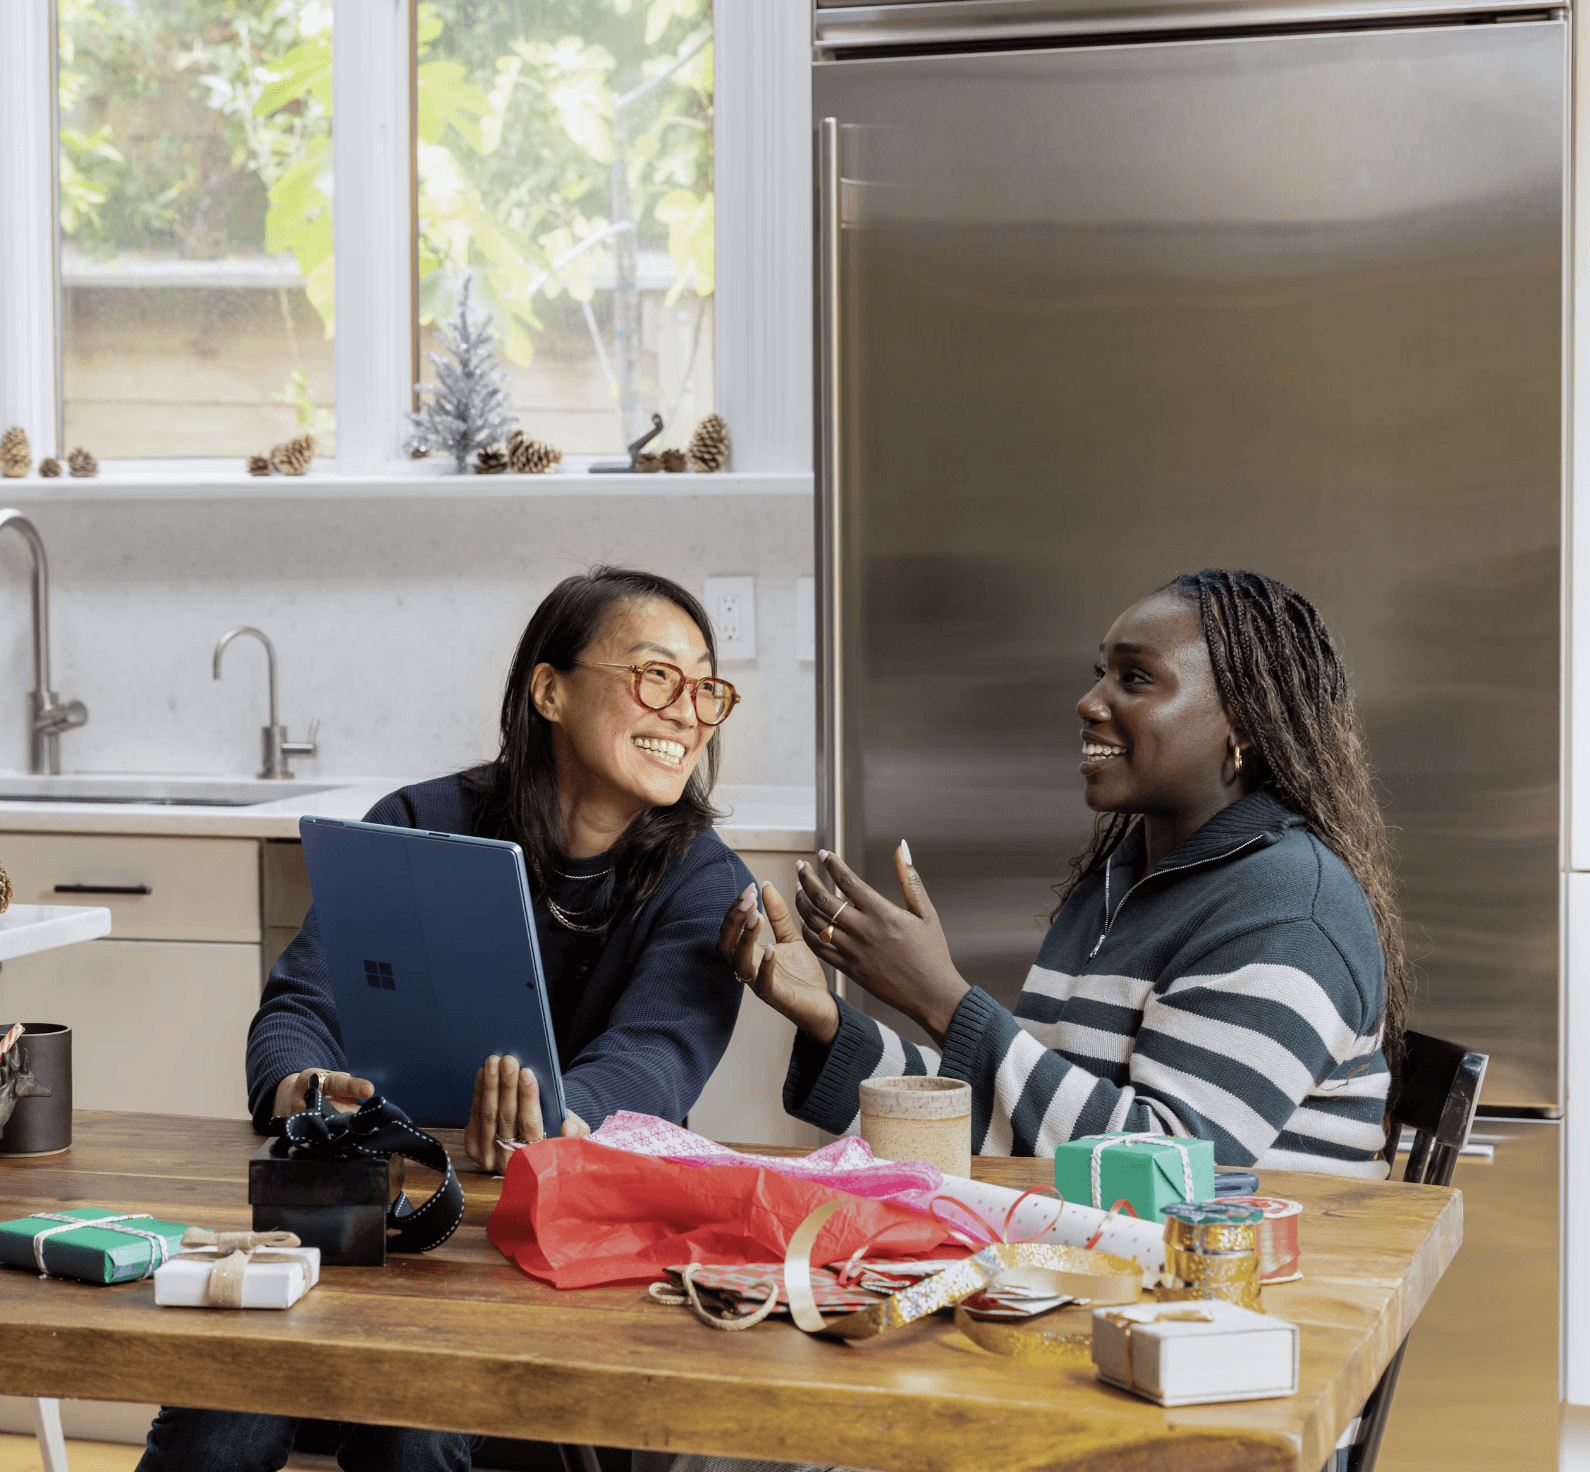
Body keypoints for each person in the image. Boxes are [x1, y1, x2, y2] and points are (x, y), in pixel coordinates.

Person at [139, 566, 755, 1472]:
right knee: (226, 1402)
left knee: (413, 1424)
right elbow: (302, 1002)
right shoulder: (418, 822)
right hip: (378, 1210)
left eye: (704, 689)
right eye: (656, 676)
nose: (687, 714)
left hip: (562, 1238)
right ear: (549, 690)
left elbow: (657, 1059)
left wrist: (557, 1120)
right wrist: (301, 1086)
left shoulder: (706, 880)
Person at [721, 568, 1403, 1175]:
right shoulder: (1122, 881)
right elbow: (1034, 1123)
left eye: (1135, 677)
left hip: (1253, 1273)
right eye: (1101, 672)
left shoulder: (1289, 910)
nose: (1090, 701)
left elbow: (1171, 1172)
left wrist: (940, 998)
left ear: (1243, 724)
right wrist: (829, 1024)